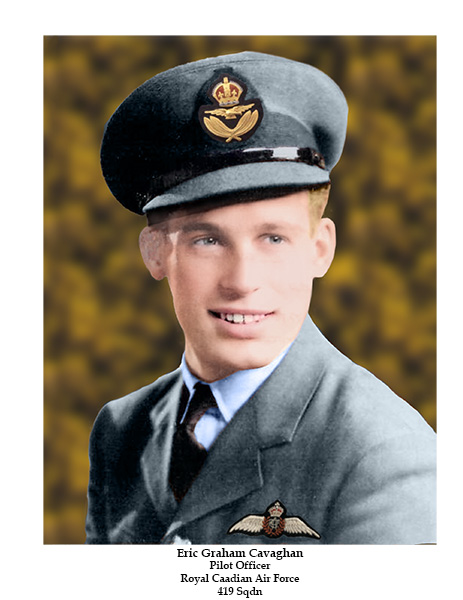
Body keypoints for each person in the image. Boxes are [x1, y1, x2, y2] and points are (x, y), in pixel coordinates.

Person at [86, 51, 436, 545]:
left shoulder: (380, 451)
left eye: (274, 238)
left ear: (320, 249)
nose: (242, 281)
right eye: (207, 239)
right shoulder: (123, 430)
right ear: (155, 253)